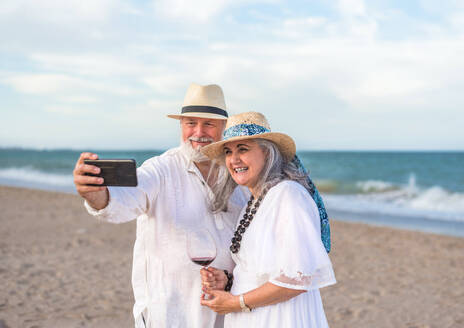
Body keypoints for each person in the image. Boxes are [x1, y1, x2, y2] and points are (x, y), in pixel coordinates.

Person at [72, 83, 248, 328]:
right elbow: (123, 200)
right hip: (170, 314)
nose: (199, 132)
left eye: (208, 123)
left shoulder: (238, 174)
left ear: (223, 128)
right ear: (181, 126)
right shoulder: (160, 169)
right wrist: (94, 193)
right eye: (190, 123)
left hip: (227, 314)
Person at [199, 112, 336, 327]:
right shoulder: (253, 202)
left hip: (280, 318)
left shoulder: (288, 195)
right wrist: (229, 281)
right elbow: (263, 271)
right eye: (228, 151)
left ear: (267, 153)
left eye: (243, 149)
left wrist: (237, 302)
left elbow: (298, 279)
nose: (234, 160)